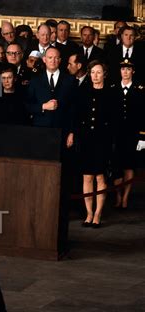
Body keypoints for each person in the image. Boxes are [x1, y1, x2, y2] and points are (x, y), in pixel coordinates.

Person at [74, 61, 113, 228]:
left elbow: (115, 121)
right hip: (86, 139)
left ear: (104, 74)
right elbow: (77, 115)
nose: (95, 76)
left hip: (103, 140)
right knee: (87, 176)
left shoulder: (112, 93)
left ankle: (98, 213)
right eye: (92, 72)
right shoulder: (83, 92)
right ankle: (89, 212)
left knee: (100, 176)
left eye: (98, 72)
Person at [110, 60, 144, 209]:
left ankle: (125, 198)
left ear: (133, 72)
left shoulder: (140, 89)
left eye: (128, 69)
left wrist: (143, 136)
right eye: (123, 69)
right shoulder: (113, 88)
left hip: (132, 135)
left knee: (129, 166)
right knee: (117, 167)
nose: (125, 72)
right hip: (116, 135)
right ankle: (118, 196)